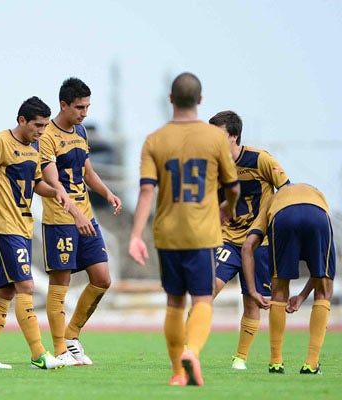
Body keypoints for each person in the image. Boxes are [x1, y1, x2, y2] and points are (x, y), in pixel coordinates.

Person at [128, 72, 240, 386]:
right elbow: (233, 188)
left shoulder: (154, 140)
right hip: (202, 233)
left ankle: (178, 372)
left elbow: (146, 191)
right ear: (200, 100)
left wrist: (136, 235)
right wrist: (228, 208)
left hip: (167, 234)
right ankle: (192, 351)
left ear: (171, 99)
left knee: (174, 304)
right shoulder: (215, 138)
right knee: (202, 299)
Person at [0, 96, 70, 370]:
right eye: (37, 125)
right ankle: (38, 354)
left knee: (6, 290)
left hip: (23, 228)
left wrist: (55, 192)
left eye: (45, 126)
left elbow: (35, 184)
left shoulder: (34, 148)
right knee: (26, 286)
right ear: (22, 120)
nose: (41, 131)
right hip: (4, 228)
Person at [38, 77, 122, 367]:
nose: (84, 113)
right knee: (60, 282)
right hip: (60, 220)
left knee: (102, 278)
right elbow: (53, 183)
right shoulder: (46, 136)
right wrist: (76, 214)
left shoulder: (82, 131)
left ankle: (72, 334)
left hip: (86, 216)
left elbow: (87, 172)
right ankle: (60, 348)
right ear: (63, 105)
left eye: (87, 107)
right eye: (79, 107)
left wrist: (108, 193)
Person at [209, 111, 289, 370]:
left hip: (258, 244)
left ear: (233, 136)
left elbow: (286, 189)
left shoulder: (260, 159)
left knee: (252, 301)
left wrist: (275, 225)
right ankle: (188, 348)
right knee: (207, 289)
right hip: (227, 239)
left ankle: (240, 357)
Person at [241, 183, 335, 375]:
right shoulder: (318, 196)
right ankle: (312, 364)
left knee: (279, 290)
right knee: (324, 287)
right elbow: (319, 271)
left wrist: (252, 291)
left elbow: (247, 247)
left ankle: (276, 363)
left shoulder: (271, 201)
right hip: (317, 214)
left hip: (283, 215)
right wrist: (302, 297)